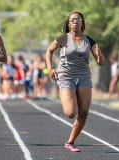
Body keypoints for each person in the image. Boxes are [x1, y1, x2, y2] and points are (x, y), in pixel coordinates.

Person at [46, 11, 105, 152]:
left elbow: (100, 62)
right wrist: (50, 68)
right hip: (66, 75)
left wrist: (99, 53)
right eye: (73, 20)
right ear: (68, 23)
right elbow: (49, 51)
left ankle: (70, 142)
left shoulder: (89, 40)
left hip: (84, 75)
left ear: (82, 23)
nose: (76, 22)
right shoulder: (63, 38)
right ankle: (71, 100)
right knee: (70, 113)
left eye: (79, 20)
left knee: (84, 112)